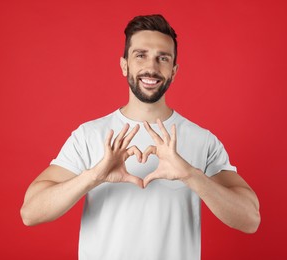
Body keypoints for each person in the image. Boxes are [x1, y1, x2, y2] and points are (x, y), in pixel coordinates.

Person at [20, 14, 260, 260]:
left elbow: (250, 219)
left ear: (174, 70)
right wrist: (94, 177)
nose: (152, 68)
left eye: (162, 58)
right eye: (141, 55)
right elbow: (30, 213)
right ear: (125, 64)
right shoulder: (89, 135)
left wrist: (190, 174)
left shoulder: (203, 141)